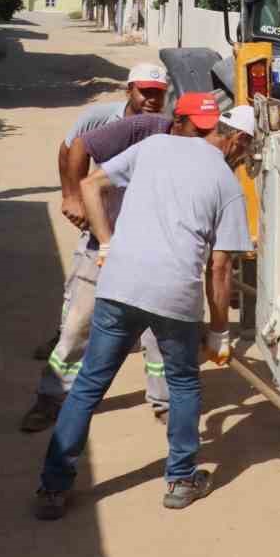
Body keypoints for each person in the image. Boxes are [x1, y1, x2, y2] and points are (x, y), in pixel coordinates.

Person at [33, 105, 257, 520]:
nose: (243, 160)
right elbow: (220, 267)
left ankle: (52, 488)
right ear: (237, 141)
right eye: (245, 152)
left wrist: (106, 242)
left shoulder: (153, 147)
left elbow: (92, 182)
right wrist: (220, 331)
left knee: (87, 386)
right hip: (174, 294)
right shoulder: (227, 184)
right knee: (185, 385)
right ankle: (180, 480)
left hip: (119, 283)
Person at [19, 93, 218, 432]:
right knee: (79, 326)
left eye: (208, 132)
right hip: (107, 247)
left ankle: (165, 403)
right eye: (197, 131)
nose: (203, 139)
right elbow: (80, 150)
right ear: (178, 122)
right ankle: (51, 397)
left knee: (159, 337)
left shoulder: (203, 155)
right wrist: (77, 202)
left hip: (160, 257)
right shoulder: (145, 131)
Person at [34, 62, 169, 361]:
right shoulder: (101, 117)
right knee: (80, 287)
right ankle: (63, 338)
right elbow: (69, 148)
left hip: (140, 222)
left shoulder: (164, 127)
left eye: (158, 94)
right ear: (129, 90)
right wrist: (72, 196)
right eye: (145, 92)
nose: (151, 100)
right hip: (102, 216)